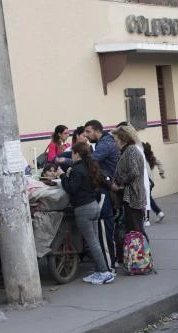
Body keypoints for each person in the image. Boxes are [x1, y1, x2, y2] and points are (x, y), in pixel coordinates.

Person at [61, 141, 114, 285]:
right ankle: (99, 270)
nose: (72, 156)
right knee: (95, 241)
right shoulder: (89, 166)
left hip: (83, 209)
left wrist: (63, 176)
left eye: (72, 153)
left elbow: (71, 188)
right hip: (94, 206)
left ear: (77, 154)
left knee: (92, 242)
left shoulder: (77, 169)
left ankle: (104, 272)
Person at [83, 119, 120, 269]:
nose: (86, 135)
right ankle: (111, 263)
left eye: (88, 131)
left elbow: (91, 160)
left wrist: (66, 160)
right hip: (108, 189)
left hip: (106, 191)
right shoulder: (103, 143)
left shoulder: (104, 144)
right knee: (106, 229)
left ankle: (108, 268)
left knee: (104, 228)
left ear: (97, 131)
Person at [109, 125, 147, 239]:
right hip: (130, 196)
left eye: (116, 140)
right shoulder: (128, 150)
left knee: (136, 229)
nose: (115, 143)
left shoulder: (131, 150)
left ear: (123, 140)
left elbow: (134, 171)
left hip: (132, 197)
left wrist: (121, 184)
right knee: (134, 228)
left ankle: (141, 250)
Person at [142, 142, 167, 223]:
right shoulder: (151, 157)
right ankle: (157, 213)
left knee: (147, 199)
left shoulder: (143, 159)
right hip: (151, 181)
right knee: (147, 198)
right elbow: (159, 163)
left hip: (147, 181)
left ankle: (156, 213)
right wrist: (161, 173)